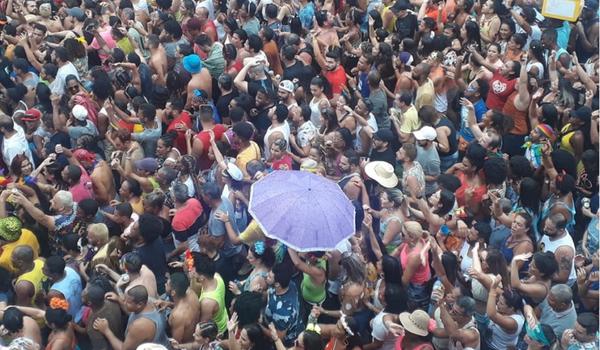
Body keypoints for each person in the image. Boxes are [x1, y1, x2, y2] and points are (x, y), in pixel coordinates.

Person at [94, 285, 170, 348]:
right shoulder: (149, 302)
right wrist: (119, 300)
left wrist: (106, 330)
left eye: (128, 302)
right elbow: (134, 313)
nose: (124, 301)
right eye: (124, 299)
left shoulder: (140, 326)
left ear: (139, 304)